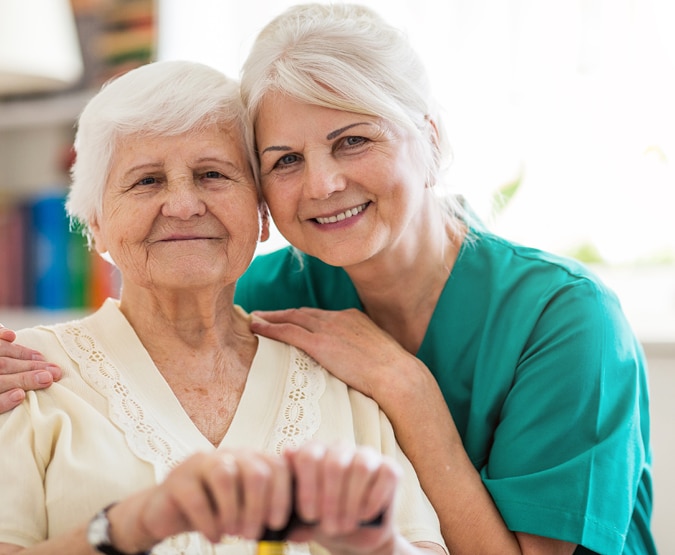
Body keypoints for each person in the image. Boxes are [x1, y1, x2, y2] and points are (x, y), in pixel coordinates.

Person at [0, 3, 656, 554]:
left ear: (427, 137)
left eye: (352, 141)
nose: (322, 184)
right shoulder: (271, 301)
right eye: (285, 159)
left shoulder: (565, 317)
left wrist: (407, 389)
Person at [0, 59, 448, 555]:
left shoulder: (340, 378)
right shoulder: (22, 376)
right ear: (95, 224)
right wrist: (132, 524)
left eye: (212, 174)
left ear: (261, 216)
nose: (184, 204)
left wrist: (376, 545)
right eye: (147, 181)